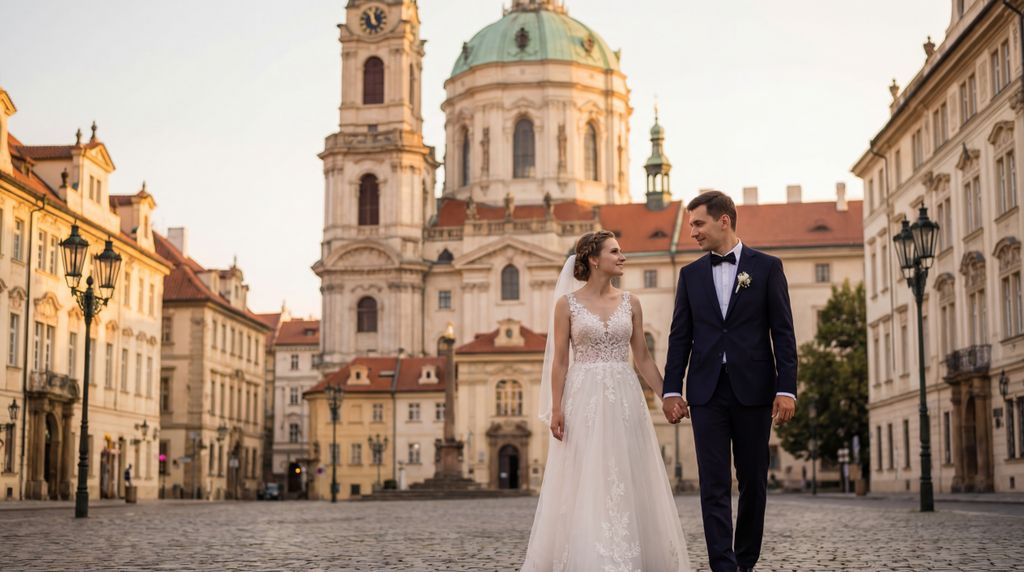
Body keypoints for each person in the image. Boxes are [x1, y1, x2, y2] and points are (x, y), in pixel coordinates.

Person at [522, 230, 691, 571]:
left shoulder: (631, 303)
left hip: (624, 396)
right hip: (583, 397)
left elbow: (642, 357)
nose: (622, 257)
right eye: (615, 252)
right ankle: (589, 553)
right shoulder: (565, 305)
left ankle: (631, 549)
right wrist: (556, 407)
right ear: (593, 259)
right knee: (586, 473)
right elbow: (559, 361)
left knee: (625, 470)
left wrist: (668, 395)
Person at [662, 191, 798, 572]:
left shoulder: (768, 268)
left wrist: (786, 388)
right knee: (713, 484)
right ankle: (723, 565)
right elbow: (679, 336)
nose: (693, 233)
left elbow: (783, 333)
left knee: (754, 481)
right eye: (690, 226)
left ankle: (746, 561)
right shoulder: (689, 276)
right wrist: (672, 388)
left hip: (755, 391)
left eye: (699, 224)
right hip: (706, 393)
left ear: (724, 220)